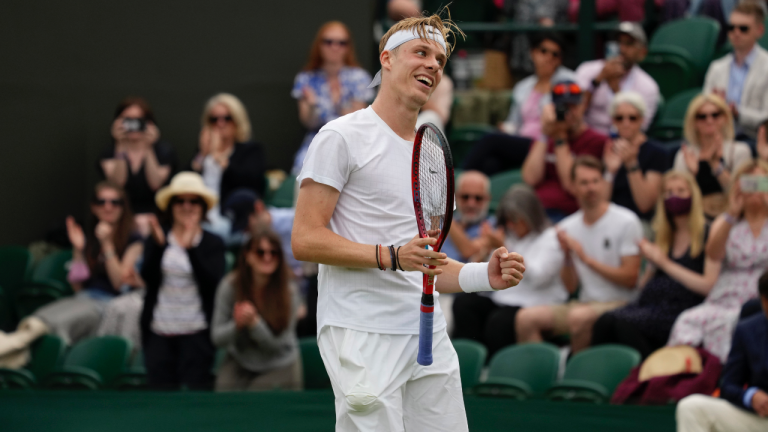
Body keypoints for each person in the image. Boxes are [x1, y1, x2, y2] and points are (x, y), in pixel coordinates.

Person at [291, 14, 525, 431]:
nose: (434, 64)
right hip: (359, 332)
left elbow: (426, 263)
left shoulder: (432, 153)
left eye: (439, 59)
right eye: (421, 52)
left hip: (426, 335)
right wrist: (391, 256)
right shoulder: (341, 136)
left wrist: (483, 275)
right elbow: (305, 240)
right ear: (387, 59)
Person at [0, 182, 143, 361]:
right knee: (40, 317)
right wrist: (78, 250)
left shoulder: (134, 239)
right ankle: (12, 350)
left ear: (124, 207)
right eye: (102, 201)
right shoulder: (91, 237)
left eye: (115, 202)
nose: (108, 207)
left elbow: (119, 283)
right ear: (93, 206)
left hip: (110, 306)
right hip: (83, 298)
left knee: (57, 322)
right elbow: (77, 286)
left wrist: (107, 244)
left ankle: (11, 345)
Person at [516, 156, 643, 353]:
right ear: (573, 187)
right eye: (584, 183)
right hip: (583, 303)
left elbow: (630, 279)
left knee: (578, 317)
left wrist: (586, 259)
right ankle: (547, 375)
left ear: (603, 183)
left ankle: (573, 376)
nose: (591, 188)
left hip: (620, 302)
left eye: (595, 181)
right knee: (525, 319)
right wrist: (568, 258)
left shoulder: (627, 221)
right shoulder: (568, 226)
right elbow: (570, 287)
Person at [591, 171, 720, 358]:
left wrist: (664, 263)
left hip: (680, 309)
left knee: (622, 324)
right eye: (668, 192)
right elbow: (642, 287)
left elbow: (708, 286)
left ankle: (646, 376)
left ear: (693, 195)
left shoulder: (707, 233)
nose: (673, 196)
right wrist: (652, 263)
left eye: (680, 191)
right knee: (604, 321)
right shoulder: (663, 235)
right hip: (650, 305)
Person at [667, 160, 768, 362]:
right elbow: (713, 254)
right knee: (686, 320)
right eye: (748, 184)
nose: (754, 190)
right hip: (724, 296)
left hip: (760, 298)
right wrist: (731, 213)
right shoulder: (726, 222)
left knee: (734, 322)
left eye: (760, 183)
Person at [452, 185, 568, 358]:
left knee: (499, 321)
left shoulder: (551, 238)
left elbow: (538, 278)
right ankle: (470, 361)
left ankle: (496, 367)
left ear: (530, 215)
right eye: (507, 220)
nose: (511, 225)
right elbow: (487, 274)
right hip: (503, 299)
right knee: (465, 304)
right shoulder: (508, 235)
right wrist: (487, 250)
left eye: (515, 219)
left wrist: (503, 248)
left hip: (535, 303)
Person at [140, 172, 226, 390]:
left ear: (203, 207)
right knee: (160, 401)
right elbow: (147, 278)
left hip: (197, 333)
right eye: (180, 200)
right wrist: (159, 249)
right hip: (159, 331)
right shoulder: (158, 237)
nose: (186, 206)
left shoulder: (212, 243)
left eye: (194, 201)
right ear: (170, 206)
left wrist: (191, 250)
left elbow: (213, 283)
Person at [464, 33, 575, 176]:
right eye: (543, 51)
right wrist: (506, 128)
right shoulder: (523, 87)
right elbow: (515, 122)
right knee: (491, 164)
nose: (548, 57)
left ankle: (456, 178)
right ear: (532, 53)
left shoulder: (568, 81)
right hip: (521, 142)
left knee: (490, 140)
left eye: (555, 54)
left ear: (560, 59)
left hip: (545, 143)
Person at [676, 269, 768, 431]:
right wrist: (751, 396)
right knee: (691, 407)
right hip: (760, 420)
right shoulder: (748, 330)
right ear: (764, 301)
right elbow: (728, 385)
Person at [212, 228, 302, 391]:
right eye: (260, 252)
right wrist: (237, 325)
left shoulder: (289, 291)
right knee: (222, 394)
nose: (267, 257)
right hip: (240, 360)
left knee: (255, 398)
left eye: (273, 253)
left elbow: (279, 346)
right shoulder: (230, 286)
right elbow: (217, 338)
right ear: (247, 256)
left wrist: (254, 324)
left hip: (279, 363)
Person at [291, 21, 373, 176]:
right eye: (328, 42)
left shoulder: (359, 77)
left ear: (348, 47)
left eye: (342, 43)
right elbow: (308, 122)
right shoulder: (306, 78)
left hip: (350, 142)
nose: (335, 47)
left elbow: (358, 120)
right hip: (317, 140)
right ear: (319, 45)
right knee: (303, 172)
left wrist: (342, 103)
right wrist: (312, 105)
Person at [522, 80, 607, 221]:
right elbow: (530, 178)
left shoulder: (596, 141)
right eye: (563, 106)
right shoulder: (547, 136)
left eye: (573, 106)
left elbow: (572, 185)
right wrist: (544, 133)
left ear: (583, 106)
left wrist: (560, 139)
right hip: (536, 209)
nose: (569, 112)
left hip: (567, 214)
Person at [98, 97, 177, 237]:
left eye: (138, 120)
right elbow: (118, 184)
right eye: (128, 120)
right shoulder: (110, 153)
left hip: (156, 219)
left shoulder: (163, 151)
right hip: (121, 221)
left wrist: (148, 146)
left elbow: (156, 184)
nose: (133, 125)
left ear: (149, 123)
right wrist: (120, 145)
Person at [189, 93, 267, 227]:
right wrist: (202, 155)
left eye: (227, 118)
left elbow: (253, 183)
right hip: (198, 218)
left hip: (233, 220)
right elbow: (185, 182)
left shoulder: (250, 150)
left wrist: (220, 159)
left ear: (237, 121)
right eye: (214, 119)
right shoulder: (203, 153)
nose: (220, 124)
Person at [673, 93, 751, 219]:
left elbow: (745, 193)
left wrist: (716, 165)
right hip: (695, 220)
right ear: (693, 122)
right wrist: (693, 175)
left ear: (725, 117)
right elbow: (677, 200)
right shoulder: (684, 154)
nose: (709, 120)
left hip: (731, 218)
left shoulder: (740, 150)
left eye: (715, 115)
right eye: (702, 116)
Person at [576, 22, 660, 135]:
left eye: (629, 44)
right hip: (587, 138)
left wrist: (616, 89)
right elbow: (574, 115)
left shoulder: (649, 86)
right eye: (618, 42)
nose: (622, 48)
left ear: (642, 52)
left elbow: (638, 130)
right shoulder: (587, 70)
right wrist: (597, 81)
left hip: (623, 143)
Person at [704, 1, 768, 141]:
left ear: (759, 30)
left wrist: (738, 113)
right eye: (731, 27)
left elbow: (766, 117)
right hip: (717, 137)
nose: (736, 33)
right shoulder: (716, 67)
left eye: (743, 28)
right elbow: (703, 107)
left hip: (754, 139)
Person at [603, 92, 667, 223]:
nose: (626, 123)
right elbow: (600, 202)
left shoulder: (657, 152)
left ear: (642, 119)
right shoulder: (607, 149)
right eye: (619, 118)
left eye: (632, 118)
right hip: (610, 220)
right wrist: (609, 172)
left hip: (641, 222)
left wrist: (632, 164)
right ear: (613, 120)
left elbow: (645, 205)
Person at [442, 171, 495, 263]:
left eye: (478, 198)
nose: (471, 204)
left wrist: (444, 214)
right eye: (465, 197)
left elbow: (468, 251)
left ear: (488, 199)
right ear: (456, 197)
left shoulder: (494, 226)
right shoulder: (439, 223)